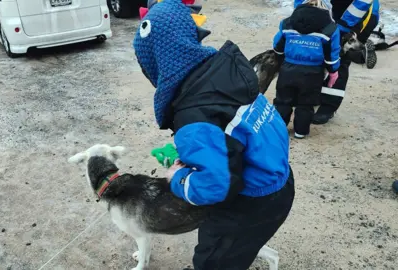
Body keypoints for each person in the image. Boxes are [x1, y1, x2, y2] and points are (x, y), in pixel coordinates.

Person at [133, 0, 295, 269]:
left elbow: (213, 186)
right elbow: (236, 134)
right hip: (280, 177)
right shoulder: (228, 76)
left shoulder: (193, 118)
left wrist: (178, 178)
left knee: (213, 260)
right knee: (238, 251)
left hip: (252, 202)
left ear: (156, 64)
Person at [294, 0, 380, 124]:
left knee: (339, 56)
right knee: (317, 48)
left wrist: (340, 29)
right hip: (332, 7)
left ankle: (328, 106)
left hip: (360, 11)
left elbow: (362, 3)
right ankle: (313, 96)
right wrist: (304, 13)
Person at [272, 0, 341, 139]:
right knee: (306, 103)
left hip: (288, 68)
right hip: (313, 72)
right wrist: (333, 71)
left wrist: (281, 58)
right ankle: (300, 131)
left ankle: (279, 129)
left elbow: (277, 47)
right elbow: (332, 55)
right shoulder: (330, 28)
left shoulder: (287, 23)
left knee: (283, 100)